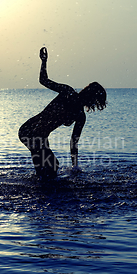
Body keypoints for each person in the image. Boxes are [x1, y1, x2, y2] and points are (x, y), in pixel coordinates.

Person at [18, 47, 107, 179]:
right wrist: (44, 61)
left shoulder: (80, 116)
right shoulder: (68, 92)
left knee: (49, 171)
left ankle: (36, 190)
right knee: (51, 167)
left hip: (41, 137)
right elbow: (44, 80)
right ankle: (36, 189)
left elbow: (73, 143)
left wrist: (75, 167)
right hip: (29, 130)